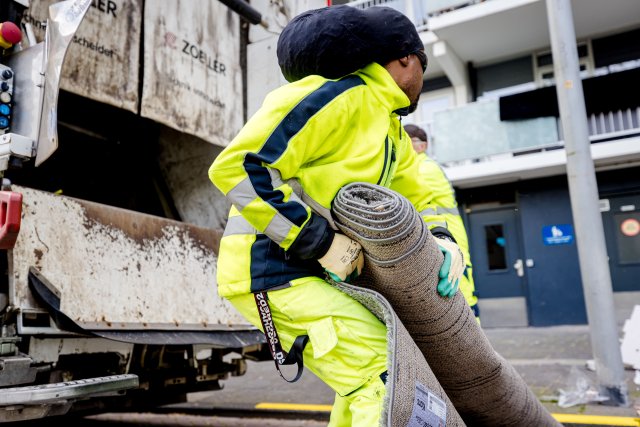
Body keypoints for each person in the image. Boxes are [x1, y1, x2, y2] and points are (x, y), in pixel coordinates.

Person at [208, 5, 465, 426]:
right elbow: (238, 168)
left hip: (311, 274)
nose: (423, 75)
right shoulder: (338, 97)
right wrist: (321, 242)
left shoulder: (390, 130)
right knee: (386, 378)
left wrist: (442, 240)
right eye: (423, 63)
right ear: (405, 58)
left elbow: (414, 199)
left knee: (374, 378)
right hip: (273, 271)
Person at [404, 123, 480, 322]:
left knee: (459, 285)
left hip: (447, 235)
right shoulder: (419, 166)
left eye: (407, 142)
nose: (402, 145)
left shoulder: (423, 167)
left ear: (422, 146)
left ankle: (474, 341)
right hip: (444, 233)